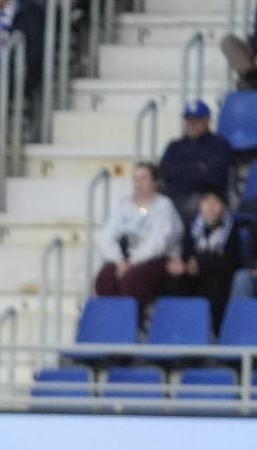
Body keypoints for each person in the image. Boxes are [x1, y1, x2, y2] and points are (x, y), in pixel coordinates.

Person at [94, 161, 182, 312]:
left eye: (144, 178)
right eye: (135, 179)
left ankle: (132, 327)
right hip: (123, 259)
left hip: (154, 260)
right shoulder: (123, 205)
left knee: (132, 280)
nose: (138, 183)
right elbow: (107, 237)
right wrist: (119, 261)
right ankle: (110, 327)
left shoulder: (164, 206)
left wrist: (132, 263)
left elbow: (158, 243)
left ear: (155, 182)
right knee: (105, 277)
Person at [167, 187, 238, 328]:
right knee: (174, 282)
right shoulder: (192, 229)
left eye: (216, 202)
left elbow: (232, 262)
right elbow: (185, 254)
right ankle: (175, 329)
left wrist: (201, 263)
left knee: (215, 287)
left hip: (218, 277)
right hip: (192, 275)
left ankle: (213, 332)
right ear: (200, 205)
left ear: (223, 207)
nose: (211, 207)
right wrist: (183, 265)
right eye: (207, 202)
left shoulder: (231, 230)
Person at [160, 101, 233, 217]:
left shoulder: (219, 145)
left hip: (206, 197)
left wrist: (182, 170)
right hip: (175, 195)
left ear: (207, 121)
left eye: (197, 120)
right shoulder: (174, 146)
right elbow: (165, 173)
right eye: (189, 120)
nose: (192, 124)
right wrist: (197, 167)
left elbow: (214, 177)